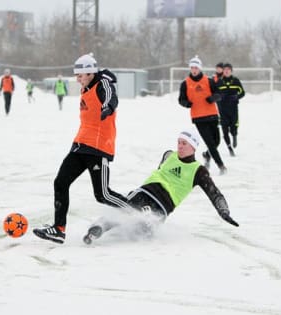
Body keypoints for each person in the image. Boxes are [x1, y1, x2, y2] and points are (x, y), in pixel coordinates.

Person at [33, 53, 129, 244]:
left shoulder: (103, 84)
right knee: (60, 182)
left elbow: (111, 97)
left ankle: (135, 212)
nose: (77, 79)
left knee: (103, 195)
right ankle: (58, 229)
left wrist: (108, 107)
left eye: (80, 75)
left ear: (90, 73)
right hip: (80, 145)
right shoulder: (86, 88)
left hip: (98, 147)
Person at [83, 129, 239, 244]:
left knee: (140, 235)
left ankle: (120, 231)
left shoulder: (199, 171)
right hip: (146, 192)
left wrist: (224, 211)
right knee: (123, 211)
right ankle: (97, 228)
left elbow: (214, 193)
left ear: (193, 147)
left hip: (163, 207)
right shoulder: (169, 155)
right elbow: (158, 172)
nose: (180, 146)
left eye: (184, 143)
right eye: (179, 142)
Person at [178, 56, 227, 174]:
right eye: (192, 68)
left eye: (196, 67)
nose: (194, 70)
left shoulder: (208, 81)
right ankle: (221, 166)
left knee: (216, 141)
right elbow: (181, 99)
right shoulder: (185, 83)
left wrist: (213, 98)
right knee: (210, 143)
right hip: (198, 117)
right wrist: (186, 103)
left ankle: (207, 155)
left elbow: (219, 93)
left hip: (212, 115)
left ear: (199, 68)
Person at [217, 63, 245, 156]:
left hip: (233, 109)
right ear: (223, 71)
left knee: (233, 127)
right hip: (222, 110)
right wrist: (220, 97)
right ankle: (230, 149)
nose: (226, 71)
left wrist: (236, 97)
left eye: (228, 69)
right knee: (224, 130)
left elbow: (242, 93)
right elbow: (214, 95)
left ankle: (234, 135)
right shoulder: (219, 82)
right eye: (225, 69)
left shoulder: (236, 81)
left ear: (231, 71)